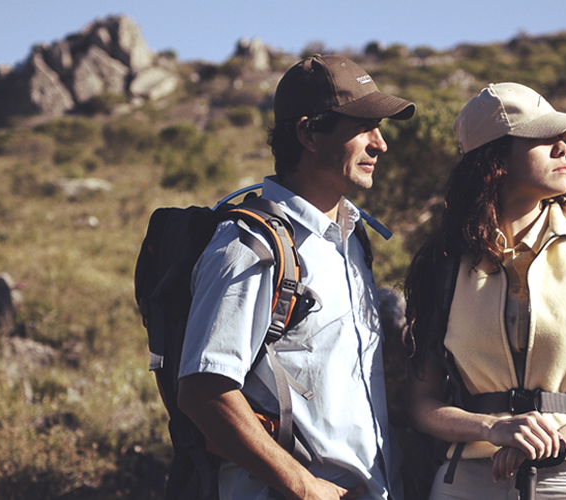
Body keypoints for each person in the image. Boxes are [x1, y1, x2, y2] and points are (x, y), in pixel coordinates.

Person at [177, 54, 416, 500]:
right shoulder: (248, 246)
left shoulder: (350, 240)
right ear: (308, 132)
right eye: (363, 126)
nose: (380, 144)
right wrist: (306, 488)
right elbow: (203, 390)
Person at [403, 83, 566, 499]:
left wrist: (560, 441)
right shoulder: (443, 261)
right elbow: (421, 403)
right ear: (495, 159)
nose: (563, 149)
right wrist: (493, 428)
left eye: (563, 139)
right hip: (467, 479)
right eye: (544, 139)